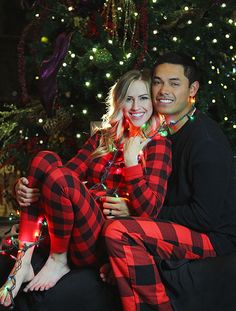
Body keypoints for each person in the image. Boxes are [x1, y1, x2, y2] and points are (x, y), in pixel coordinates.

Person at [0, 69, 172, 308]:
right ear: (118, 101)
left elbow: (150, 211)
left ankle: (58, 260)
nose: (136, 106)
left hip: (99, 240)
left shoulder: (158, 146)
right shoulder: (103, 138)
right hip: (73, 226)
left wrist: (132, 164)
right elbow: (61, 177)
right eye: (128, 98)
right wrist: (27, 186)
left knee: (58, 175)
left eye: (143, 98)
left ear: (152, 103)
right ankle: (24, 261)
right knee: (44, 159)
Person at [102, 52, 236, 310]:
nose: (163, 90)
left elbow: (204, 218)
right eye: (157, 82)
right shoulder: (160, 133)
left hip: (214, 237)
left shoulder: (205, 142)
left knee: (120, 230)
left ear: (192, 89)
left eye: (174, 83)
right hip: (178, 226)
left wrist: (134, 211)